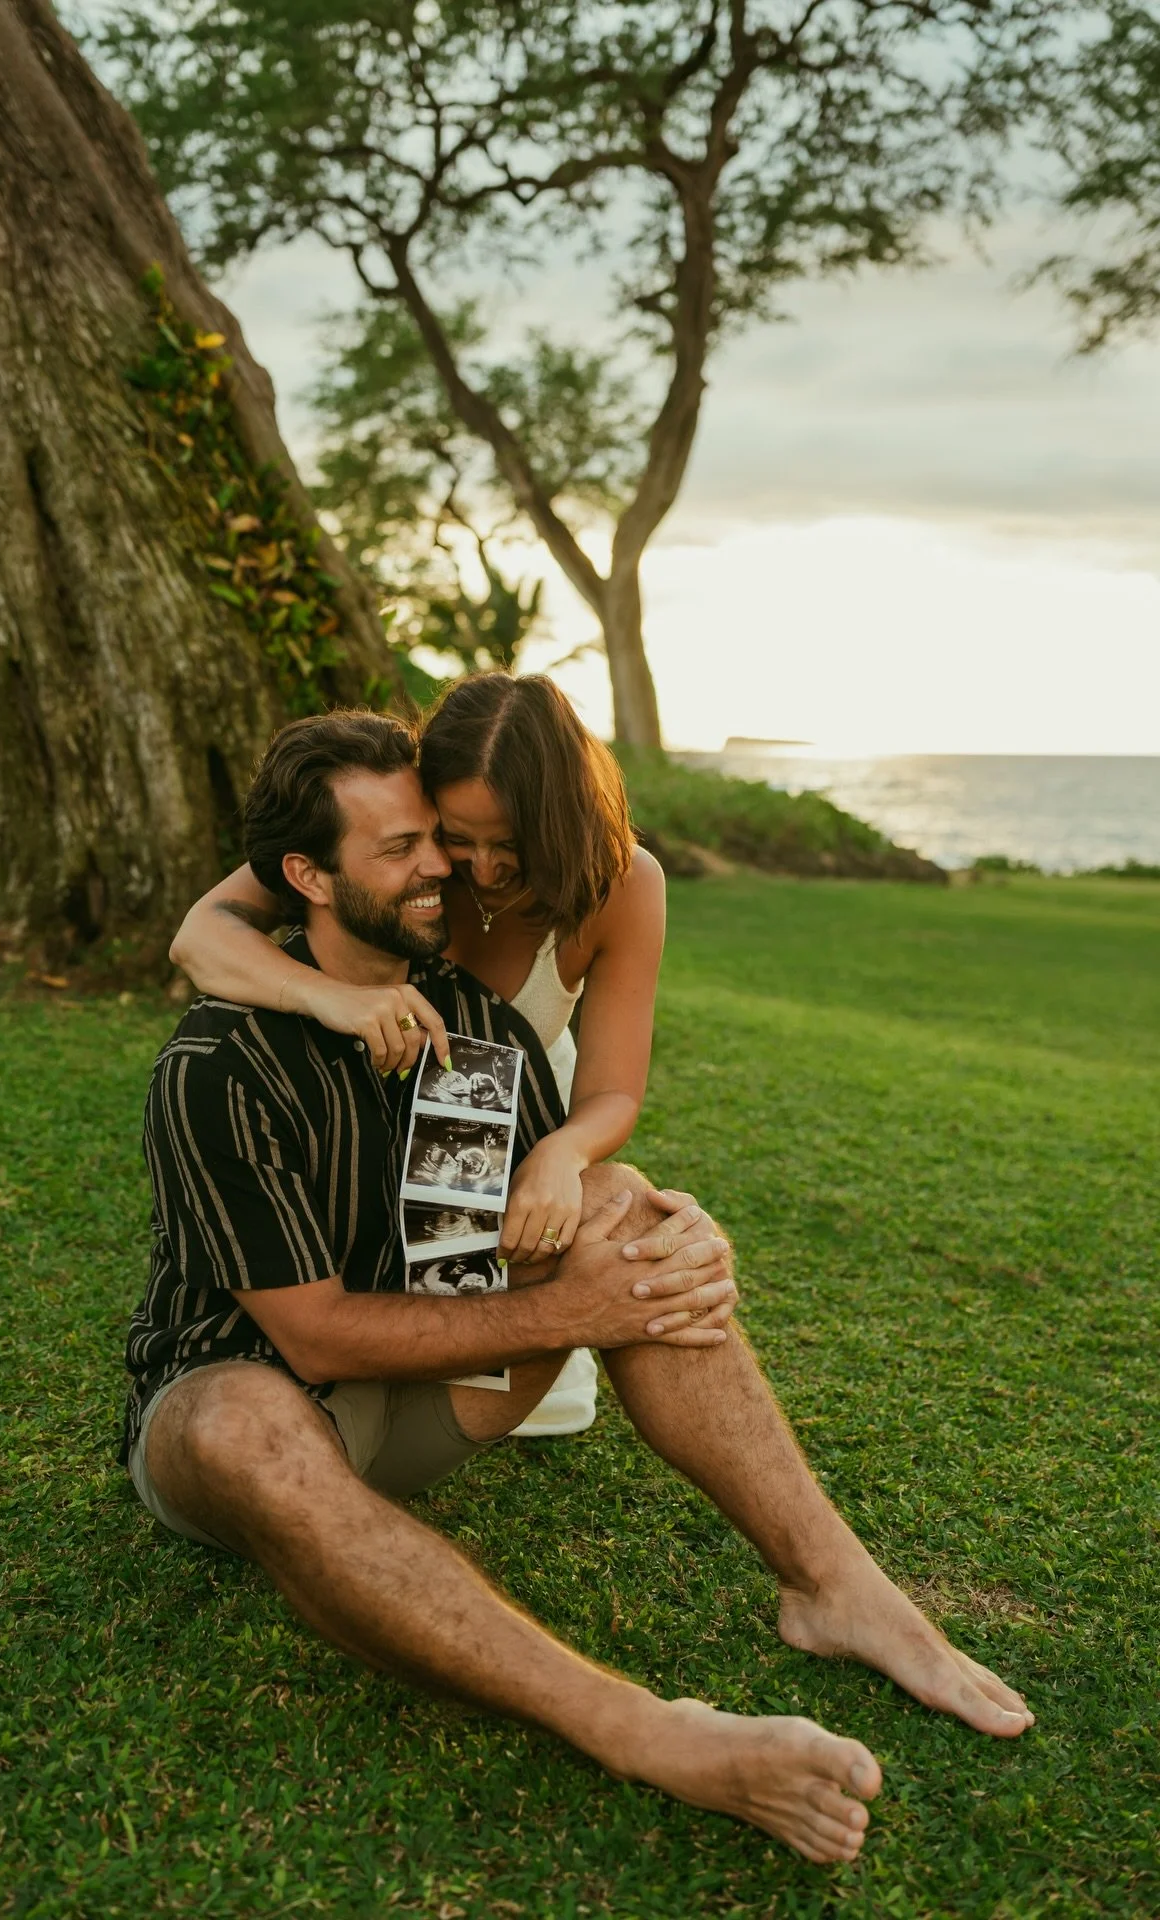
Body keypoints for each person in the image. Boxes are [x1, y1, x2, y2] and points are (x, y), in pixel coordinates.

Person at [123, 711, 1033, 1867]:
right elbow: (312, 1341)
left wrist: (665, 1234)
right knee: (243, 1417)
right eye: (408, 847)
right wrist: (570, 1311)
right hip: (249, 1418)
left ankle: (833, 1585)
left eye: (441, 846)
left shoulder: (475, 1023)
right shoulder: (218, 1066)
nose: (447, 871)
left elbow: (544, 1196)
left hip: (425, 1399)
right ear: (306, 875)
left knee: (626, 1210)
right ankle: (646, 1731)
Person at [169, 673, 666, 1436]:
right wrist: (326, 996)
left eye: (512, 844)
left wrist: (564, 1152)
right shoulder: (409, 861)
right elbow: (201, 934)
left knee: (544, 1374)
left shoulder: (621, 881)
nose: (483, 867)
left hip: (526, 1111)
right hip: (390, 1110)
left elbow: (614, 1091)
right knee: (398, 1334)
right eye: (457, 836)